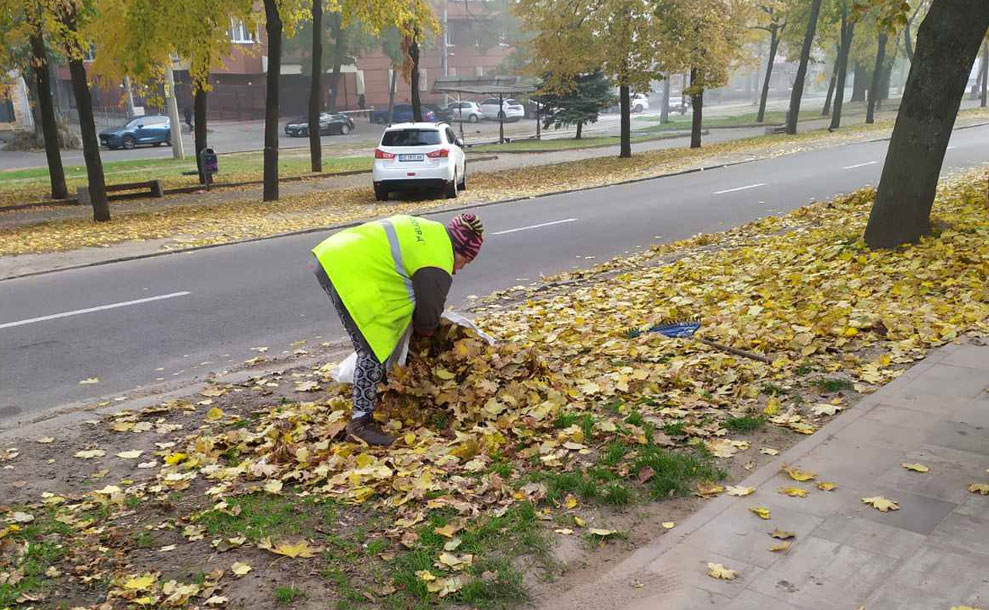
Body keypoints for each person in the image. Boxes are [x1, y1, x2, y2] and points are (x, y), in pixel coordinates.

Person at [311, 213, 484, 446]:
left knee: (378, 338)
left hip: (335, 257)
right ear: (461, 250)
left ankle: (375, 388)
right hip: (349, 270)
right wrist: (426, 335)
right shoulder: (438, 260)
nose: (460, 268)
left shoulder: (432, 232)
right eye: (466, 261)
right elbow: (428, 314)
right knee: (373, 345)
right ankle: (360, 423)